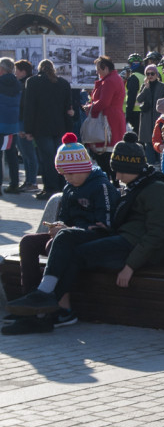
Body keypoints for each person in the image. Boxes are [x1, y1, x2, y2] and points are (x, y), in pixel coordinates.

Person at [6, 133, 164, 332]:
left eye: (121, 172)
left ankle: (47, 304)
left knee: (73, 248)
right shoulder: (136, 186)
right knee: (71, 248)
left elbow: (157, 235)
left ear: (134, 168)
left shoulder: (157, 190)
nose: (117, 177)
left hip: (135, 248)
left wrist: (131, 266)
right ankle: (44, 306)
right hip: (125, 241)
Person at [9, 133, 118, 330]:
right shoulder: (69, 187)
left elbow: (106, 224)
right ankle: (31, 301)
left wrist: (68, 230)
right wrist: (58, 226)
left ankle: (54, 303)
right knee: (28, 242)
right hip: (70, 235)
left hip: (95, 237)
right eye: (64, 174)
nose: (67, 178)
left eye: (70, 173)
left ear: (83, 169)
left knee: (59, 240)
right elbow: (65, 217)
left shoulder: (101, 185)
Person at [22, 59, 74, 200]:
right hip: (60, 127)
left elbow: (29, 108)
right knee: (60, 158)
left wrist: (28, 130)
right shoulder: (63, 83)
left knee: (47, 159)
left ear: (40, 69)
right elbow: (68, 108)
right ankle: (63, 186)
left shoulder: (32, 82)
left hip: (41, 127)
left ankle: (50, 188)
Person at [83, 56, 127, 178]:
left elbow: (104, 102)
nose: (97, 72)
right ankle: (114, 181)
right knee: (107, 155)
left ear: (105, 68)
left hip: (107, 121)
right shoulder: (114, 79)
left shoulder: (109, 81)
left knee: (105, 155)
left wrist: (90, 107)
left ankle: (112, 182)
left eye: (98, 69)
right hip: (112, 119)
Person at [0, 58, 25, 194]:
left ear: (2, 69)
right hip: (12, 123)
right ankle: (14, 184)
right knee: (12, 155)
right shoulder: (17, 84)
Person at [14, 60, 39, 193]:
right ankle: (28, 180)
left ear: (23, 71)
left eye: (17, 70)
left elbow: (26, 106)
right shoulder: (22, 84)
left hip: (23, 121)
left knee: (29, 153)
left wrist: (26, 127)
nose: (15, 73)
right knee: (24, 154)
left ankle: (32, 181)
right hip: (20, 120)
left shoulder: (28, 84)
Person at [136, 64, 164, 164]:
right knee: (148, 143)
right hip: (146, 119)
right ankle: (151, 164)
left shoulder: (162, 86)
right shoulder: (145, 86)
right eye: (148, 74)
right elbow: (139, 99)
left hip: (158, 118)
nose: (150, 76)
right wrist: (146, 88)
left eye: (152, 73)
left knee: (159, 140)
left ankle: (160, 163)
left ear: (157, 74)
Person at [123, 53, 145, 133]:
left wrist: (128, 115)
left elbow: (131, 97)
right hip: (144, 111)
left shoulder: (133, 77)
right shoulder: (144, 76)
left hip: (134, 112)